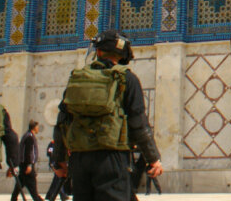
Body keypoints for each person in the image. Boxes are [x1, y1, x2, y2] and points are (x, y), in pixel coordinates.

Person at [52, 30, 163, 201]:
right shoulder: (127, 79)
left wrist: (59, 159)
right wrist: (153, 158)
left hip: (80, 158)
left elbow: (63, 121)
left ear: (98, 51)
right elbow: (138, 124)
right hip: (111, 157)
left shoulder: (78, 78)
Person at [11, 121, 43, 201]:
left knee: (20, 183)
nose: (38, 129)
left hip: (24, 165)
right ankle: (37, 199)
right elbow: (28, 152)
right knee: (32, 186)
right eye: (37, 127)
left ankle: (13, 198)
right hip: (27, 165)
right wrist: (29, 165)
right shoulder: (29, 137)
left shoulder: (28, 135)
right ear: (34, 127)